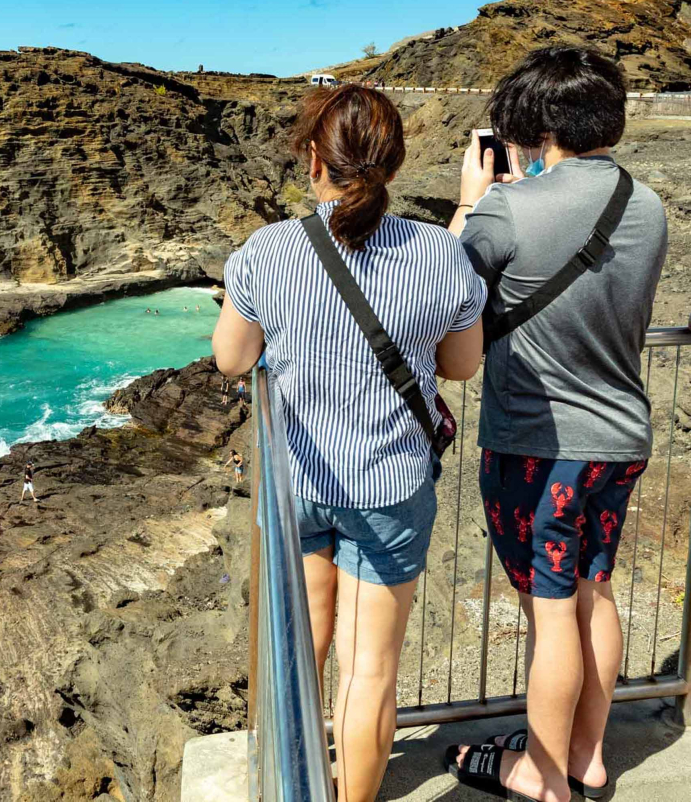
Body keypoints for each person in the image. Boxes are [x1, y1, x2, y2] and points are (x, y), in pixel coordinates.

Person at [212, 84, 485, 802]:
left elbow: (233, 360)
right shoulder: (439, 255)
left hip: (300, 481)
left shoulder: (267, 251)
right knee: (369, 672)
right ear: (393, 164)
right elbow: (459, 366)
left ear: (313, 159)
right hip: (390, 488)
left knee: (300, 655)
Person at [445, 48, 667, 802]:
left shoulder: (510, 209)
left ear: (531, 123)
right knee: (593, 593)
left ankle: (541, 776)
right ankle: (587, 753)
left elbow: (441, 293)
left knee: (552, 612)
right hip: (621, 437)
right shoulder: (647, 202)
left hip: (540, 446)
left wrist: (474, 200)